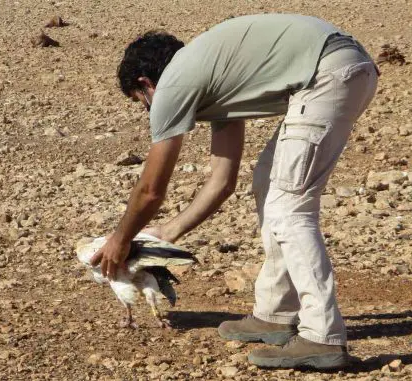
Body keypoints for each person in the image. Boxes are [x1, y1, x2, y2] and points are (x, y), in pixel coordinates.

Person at [90, 13, 378, 370]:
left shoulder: (174, 82)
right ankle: (275, 312)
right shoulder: (216, 80)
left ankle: (322, 336)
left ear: (146, 83)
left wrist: (121, 236)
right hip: (345, 67)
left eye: (141, 101)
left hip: (329, 73)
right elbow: (222, 181)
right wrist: (167, 232)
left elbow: (151, 190)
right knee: (268, 183)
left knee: (290, 208)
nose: (150, 111)